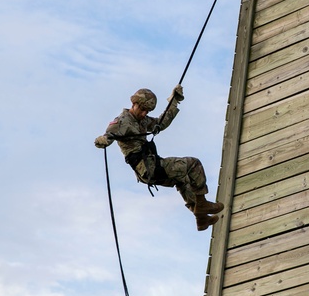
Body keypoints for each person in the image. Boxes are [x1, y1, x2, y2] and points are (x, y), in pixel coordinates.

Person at [95, 85, 224, 231]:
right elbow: (109, 135)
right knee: (193, 164)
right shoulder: (122, 121)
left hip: (151, 168)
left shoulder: (141, 120)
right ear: (134, 104)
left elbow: (160, 123)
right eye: (142, 109)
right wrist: (102, 141)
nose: (144, 114)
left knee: (182, 179)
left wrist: (174, 101)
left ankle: (201, 219)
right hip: (149, 168)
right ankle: (202, 203)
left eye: (147, 111)